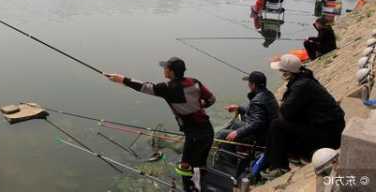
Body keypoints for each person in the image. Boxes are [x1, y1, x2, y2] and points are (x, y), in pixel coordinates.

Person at [104, 57, 215, 192]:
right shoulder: (195, 82)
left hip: (194, 136)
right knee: (200, 165)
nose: (164, 70)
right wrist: (199, 105)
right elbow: (211, 99)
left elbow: (144, 87)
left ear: (171, 71)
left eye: (165, 68)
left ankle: (192, 189)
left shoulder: (167, 88)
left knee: (185, 169)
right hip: (208, 131)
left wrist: (121, 79)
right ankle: (199, 185)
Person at [261, 54, 345, 180]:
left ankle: (279, 168)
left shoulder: (301, 86)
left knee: (276, 125)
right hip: (329, 129)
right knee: (282, 124)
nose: (281, 73)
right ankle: (288, 157)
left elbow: (286, 112)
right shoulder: (304, 80)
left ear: (288, 73)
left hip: (329, 136)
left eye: (282, 71)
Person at [217, 71, 279, 148]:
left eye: (249, 83)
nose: (248, 85)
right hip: (268, 132)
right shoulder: (268, 94)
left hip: (260, 137)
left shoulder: (257, 100)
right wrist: (239, 108)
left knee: (222, 134)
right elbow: (258, 112)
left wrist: (238, 132)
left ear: (253, 85)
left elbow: (257, 122)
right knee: (235, 123)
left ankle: (227, 158)